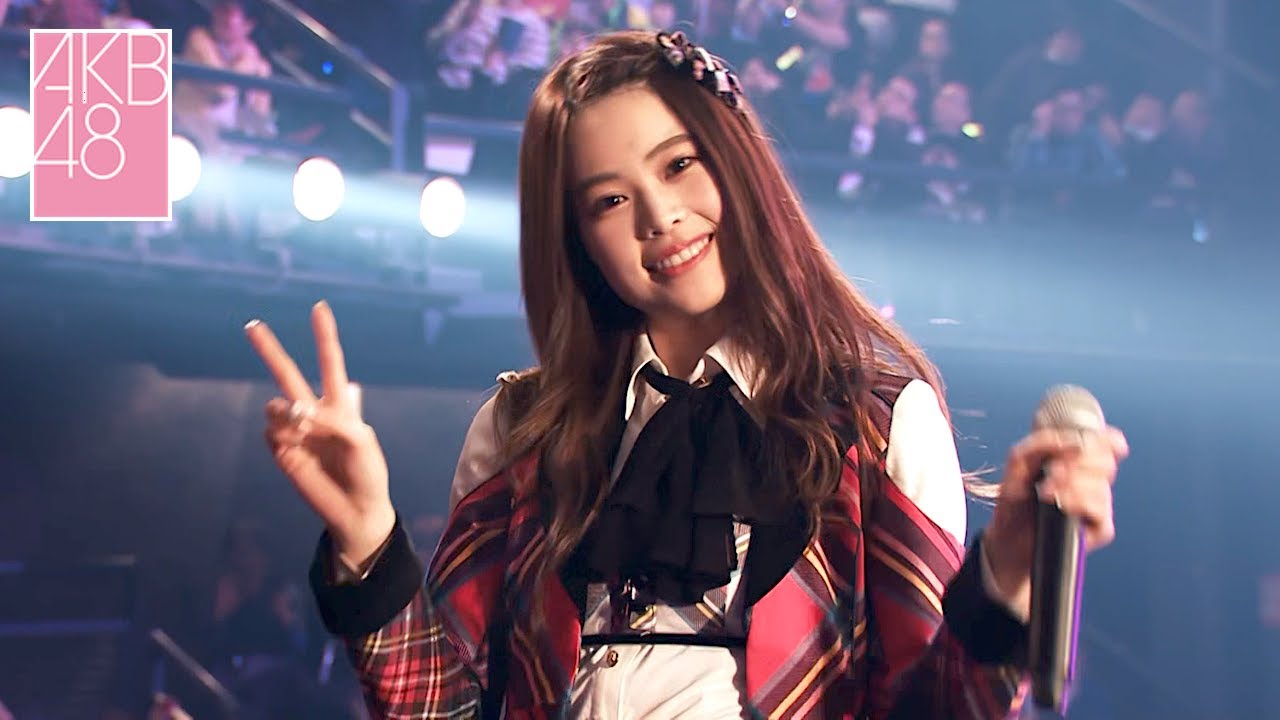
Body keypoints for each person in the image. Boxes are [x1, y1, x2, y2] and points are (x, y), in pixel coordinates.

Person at [244, 30, 1128, 719]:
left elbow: (936, 709)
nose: (659, 216)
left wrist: (1008, 572)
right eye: (609, 199)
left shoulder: (880, 422)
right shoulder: (522, 432)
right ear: (577, 238)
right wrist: (368, 533)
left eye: (678, 165)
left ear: (734, 161)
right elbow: (445, 708)